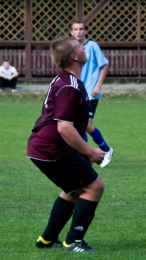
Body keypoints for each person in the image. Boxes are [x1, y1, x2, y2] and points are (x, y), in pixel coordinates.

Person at [27, 36, 106, 253]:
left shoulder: (65, 79)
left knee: (75, 189)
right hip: (52, 148)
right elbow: (64, 128)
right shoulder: (70, 86)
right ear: (74, 56)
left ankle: (47, 239)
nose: (84, 46)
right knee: (94, 187)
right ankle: (73, 242)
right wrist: (90, 151)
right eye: (80, 46)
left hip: (45, 147)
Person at [70, 20, 113, 168]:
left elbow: (105, 65)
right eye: (76, 29)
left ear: (85, 31)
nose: (79, 32)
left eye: (81, 29)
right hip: (77, 92)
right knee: (78, 125)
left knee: (86, 125)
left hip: (91, 92)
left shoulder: (93, 46)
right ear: (71, 32)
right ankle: (86, 156)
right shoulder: (72, 47)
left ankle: (106, 150)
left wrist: (98, 85)